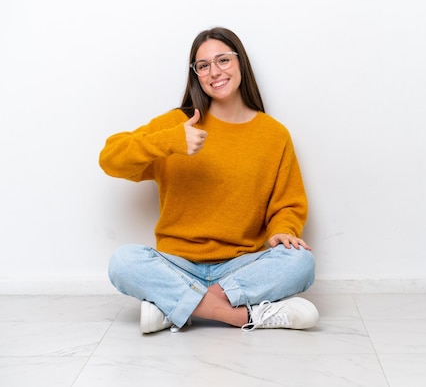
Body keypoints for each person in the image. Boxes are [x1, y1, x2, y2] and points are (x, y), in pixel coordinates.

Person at [99, 27, 318, 334]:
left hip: (240, 266)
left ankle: (174, 307)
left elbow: (288, 203)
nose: (214, 71)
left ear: (241, 63)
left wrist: (284, 230)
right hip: (178, 265)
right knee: (123, 262)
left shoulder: (273, 135)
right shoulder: (178, 125)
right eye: (203, 65)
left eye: (223, 60)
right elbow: (110, 158)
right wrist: (170, 141)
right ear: (196, 74)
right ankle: (242, 316)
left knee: (300, 263)